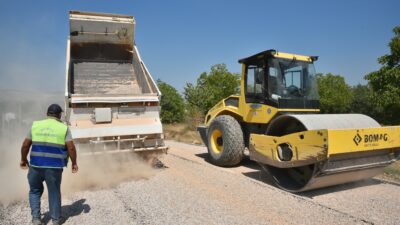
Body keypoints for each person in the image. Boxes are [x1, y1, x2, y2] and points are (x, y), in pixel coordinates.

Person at [20, 104, 78, 225]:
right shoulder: (63, 128)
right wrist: (74, 163)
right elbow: (71, 148)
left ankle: (36, 219)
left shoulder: (36, 125)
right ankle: (56, 220)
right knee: (54, 192)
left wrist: (23, 159)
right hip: (54, 167)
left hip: (35, 166)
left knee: (34, 191)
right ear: (59, 115)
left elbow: (25, 145)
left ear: (47, 114)